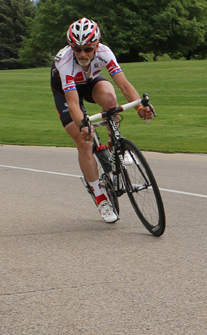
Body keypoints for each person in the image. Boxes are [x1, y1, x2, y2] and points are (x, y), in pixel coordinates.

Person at [51, 18, 154, 223]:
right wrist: (84, 126)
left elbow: (124, 86)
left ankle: (114, 145)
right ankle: (100, 199)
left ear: (96, 45)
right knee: (84, 142)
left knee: (110, 98)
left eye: (87, 49)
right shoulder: (65, 62)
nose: (82, 54)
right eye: (77, 48)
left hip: (89, 82)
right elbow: (73, 103)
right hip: (66, 91)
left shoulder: (105, 53)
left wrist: (141, 107)